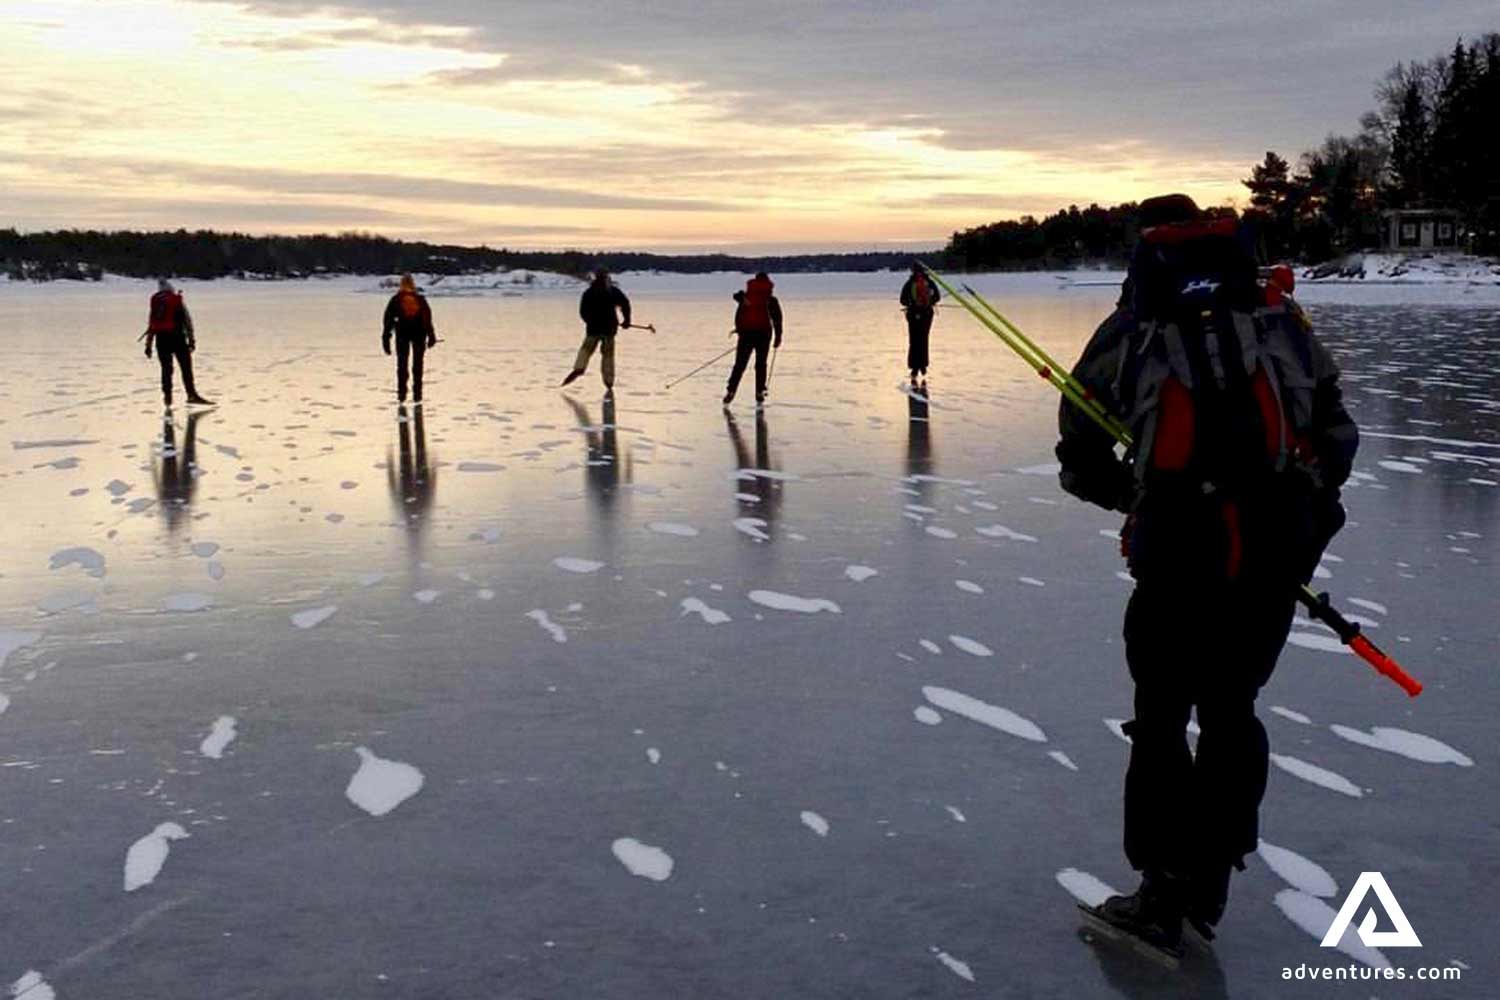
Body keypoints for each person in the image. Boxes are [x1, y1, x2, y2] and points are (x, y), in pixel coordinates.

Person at [1056, 194, 1358, 955]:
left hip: (1179, 553)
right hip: (1270, 553)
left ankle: (1162, 888)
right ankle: (1209, 887)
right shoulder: (1281, 321)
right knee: (1232, 712)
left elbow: (1079, 452)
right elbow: (1335, 432)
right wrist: (1299, 514)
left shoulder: (1136, 326)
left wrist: (1140, 499)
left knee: (1161, 716)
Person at [143, 279, 213, 407]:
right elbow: (187, 321)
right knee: (186, 368)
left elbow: (151, 325)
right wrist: (191, 340)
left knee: (166, 369)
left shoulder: (156, 302)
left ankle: (167, 397)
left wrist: (148, 345)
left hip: (161, 339)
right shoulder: (176, 300)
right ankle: (191, 395)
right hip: (177, 339)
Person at [562, 269, 633, 393]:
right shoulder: (612, 291)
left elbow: (583, 312)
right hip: (608, 329)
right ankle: (608, 381)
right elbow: (625, 304)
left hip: (594, 329)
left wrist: (591, 321)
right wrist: (626, 320)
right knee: (608, 356)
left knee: (586, 350)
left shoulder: (589, 292)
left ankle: (579, 369)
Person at [723, 272, 783, 405]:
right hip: (764, 335)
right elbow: (777, 319)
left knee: (740, 365)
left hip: (746, 335)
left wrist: (740, 330)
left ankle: (731, 390)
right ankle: (759, 391)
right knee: (761, 364)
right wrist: (778, 337)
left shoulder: (746, 298)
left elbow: (739, 315)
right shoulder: (770, 299)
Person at [382, 274, 437, 404]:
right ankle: (417, 394)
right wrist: (431, 336)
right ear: (413, 284)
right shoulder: (420, 299)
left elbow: (387, 321)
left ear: (401, 284)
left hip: (402, 334)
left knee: (402, 364)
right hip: (419, 333)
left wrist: (386, 339)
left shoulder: (395, 300)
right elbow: (427, 319)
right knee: (418, 365)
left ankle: (402, 394)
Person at [899, 263, 940, 383]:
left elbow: (902, 300)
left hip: (918, 314)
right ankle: (920, 366)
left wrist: (914, 304)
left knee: (916, 340)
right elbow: (937, 297)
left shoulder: (911, 283)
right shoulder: (926, 282)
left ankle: (917, 367)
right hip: (921, 314)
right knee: (920, 339)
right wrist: (925, 303)